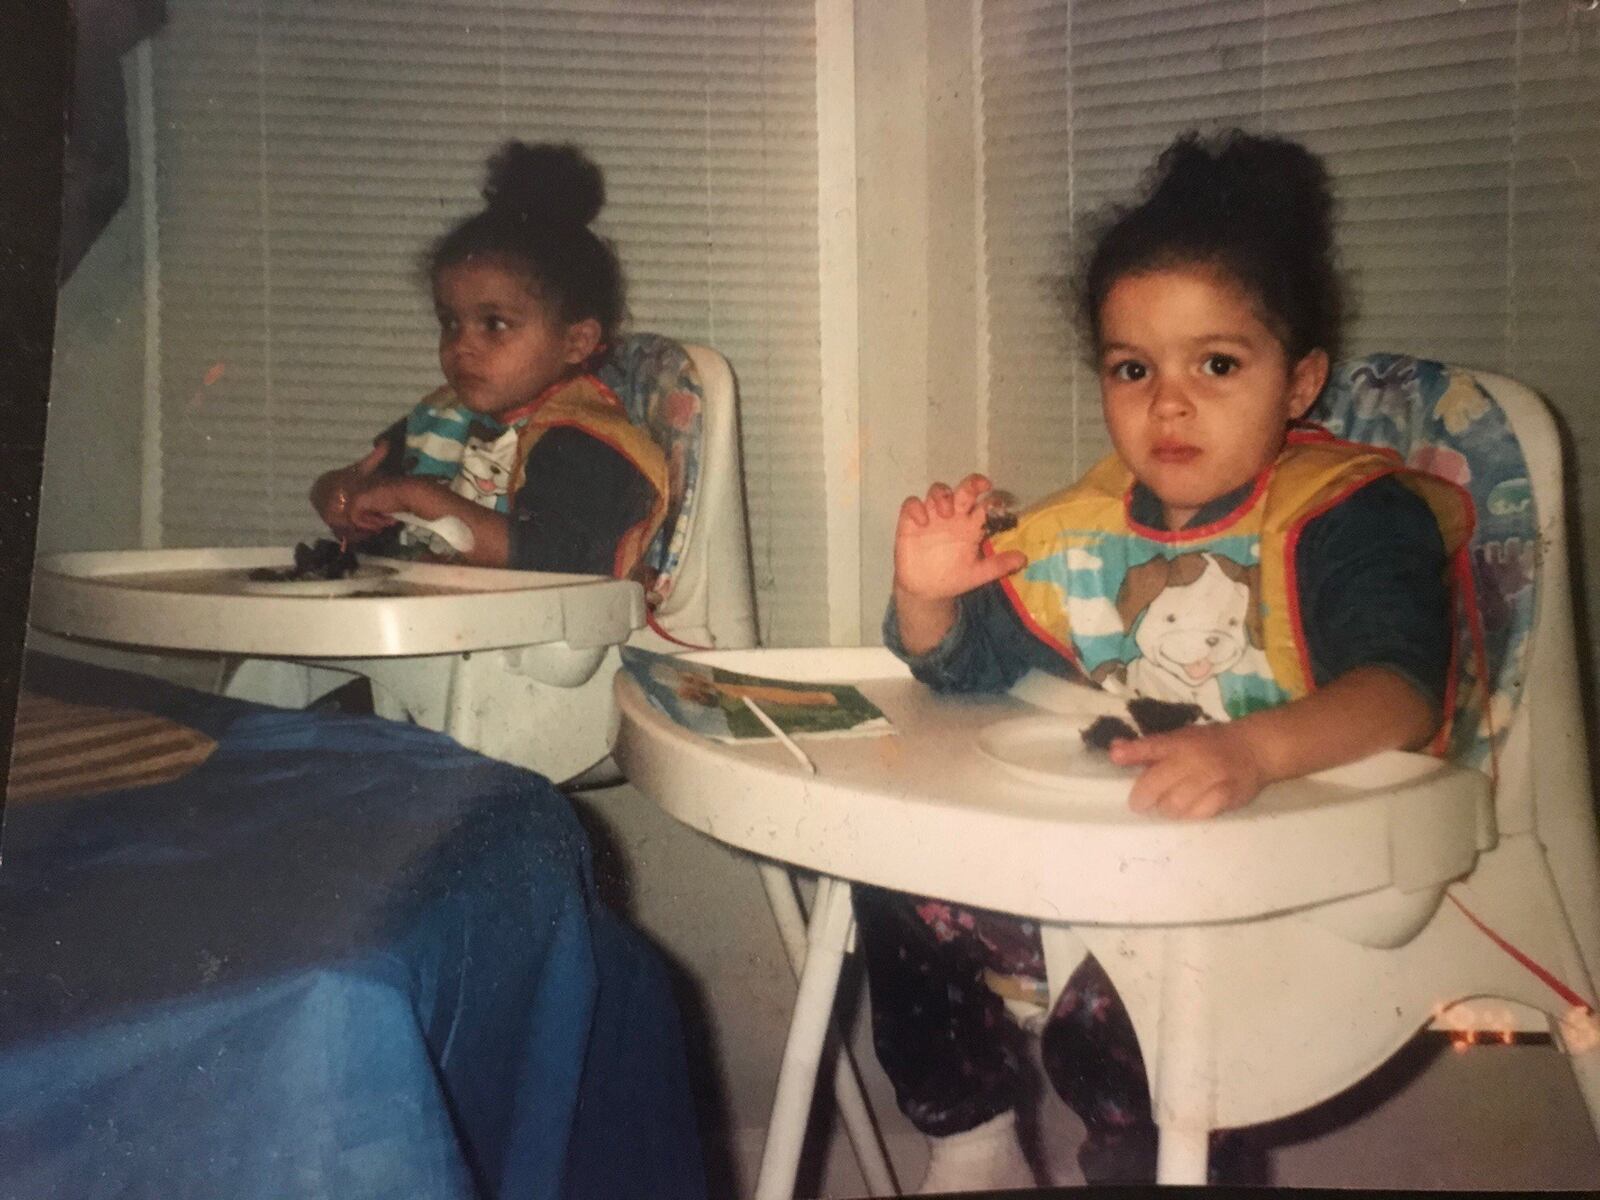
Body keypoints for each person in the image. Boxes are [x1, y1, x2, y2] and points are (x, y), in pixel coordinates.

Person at [863, 129, 1479, 1190]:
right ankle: (968, 1140)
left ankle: (1140, 1162)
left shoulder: (1344, 517)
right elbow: (971, 671)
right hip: (1141, 856)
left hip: (1302, 866)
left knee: (1128, 1025)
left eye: (1219, 364)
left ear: (1300, 382)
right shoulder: (1090, 528)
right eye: (1133, 368)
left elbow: (1395, 689)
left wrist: (1254, 749)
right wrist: (927, 597)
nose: (1170, 403)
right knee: (894, 877)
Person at [309, 141, 670, 577]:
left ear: (576, 342)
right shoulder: (444, 418)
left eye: (494, 324)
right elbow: (362, 487)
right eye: (450, 322)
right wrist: (338, 494)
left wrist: (418, 498)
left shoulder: (581, 442)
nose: (462, 345)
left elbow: (556, 558)